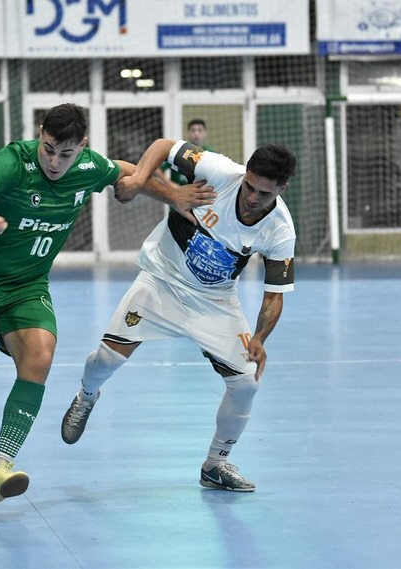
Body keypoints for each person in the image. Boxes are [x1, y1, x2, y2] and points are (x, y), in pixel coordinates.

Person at [0, 103, 216, 502]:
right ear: (41, 134)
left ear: (80, 147)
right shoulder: (16, 161)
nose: (54, 160)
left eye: (65, 153)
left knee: (40, 353)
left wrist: (171, 194)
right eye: (48, 148)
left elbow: (123, 171)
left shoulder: (87, 166)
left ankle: (0, 467)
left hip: (26, 286)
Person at [61, 137, 297, 493]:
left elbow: (274, 295)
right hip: (160, 282)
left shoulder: (279, 229)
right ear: (244, 174)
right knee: (106, 360)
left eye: (263, 194)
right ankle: (87, 394)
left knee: (247, 382)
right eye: (249, 186)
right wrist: (140, 179)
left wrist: (260, 339)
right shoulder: (218, 171)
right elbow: (163, 146)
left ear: (282, 188)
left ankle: (215, 464)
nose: (251, 198)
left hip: (214, 302)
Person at [157, 118, 215, 186]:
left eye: (200, 130)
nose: (196, 133)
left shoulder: (210, 153)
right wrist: (171, 184)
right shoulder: (178, 149)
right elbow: (158, 170)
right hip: (179, 192)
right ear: (188, 133)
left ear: (205, 133)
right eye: (193, 130)